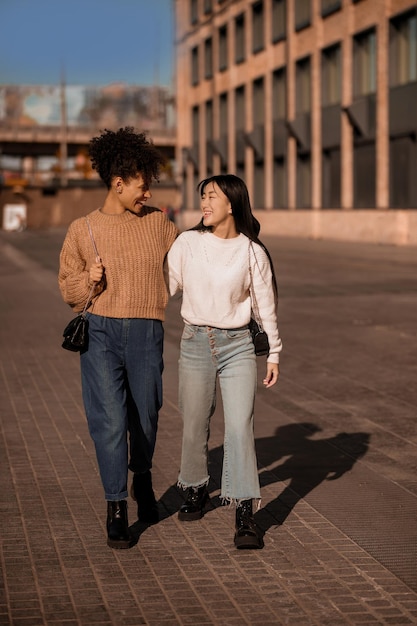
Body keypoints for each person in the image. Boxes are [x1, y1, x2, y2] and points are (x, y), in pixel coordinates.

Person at [58, 127, 178, 549]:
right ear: (118, 183)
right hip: (101, 332)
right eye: (142, 186)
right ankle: (116, 507)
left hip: (147, 330)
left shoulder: (161, 226)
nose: (147, 193)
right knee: (108, 422)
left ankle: (141, 479)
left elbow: (189, 262)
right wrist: (85, 279)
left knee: (145, 416)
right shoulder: (82, 229)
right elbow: (67, 288)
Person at [166, 174, 282, 549]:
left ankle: (245, 510)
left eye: (210, 196)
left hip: (238, 347)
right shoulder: (186, 243)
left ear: (231, 203)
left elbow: (265, 306)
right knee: (195, 421)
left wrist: (274, 353)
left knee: (238, 427)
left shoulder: (251, 251)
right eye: (202, 196)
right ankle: (196, 488)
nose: (203, 203)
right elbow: (165, 286)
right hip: (195, 341)